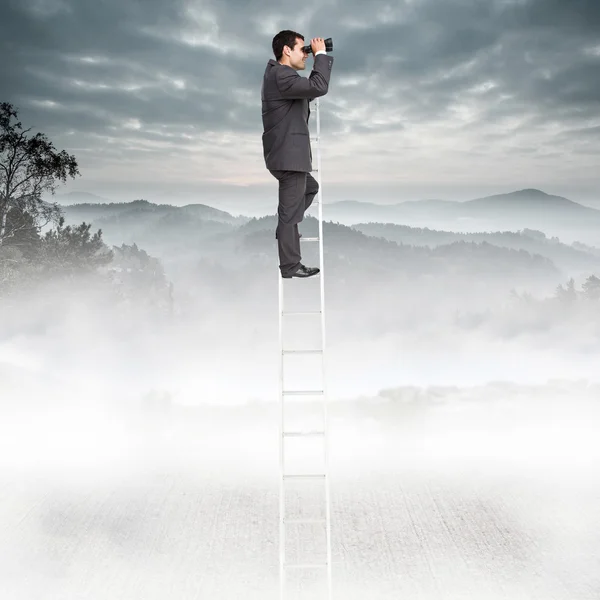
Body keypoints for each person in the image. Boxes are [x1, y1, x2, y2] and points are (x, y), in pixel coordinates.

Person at [261, 30, 335, 278]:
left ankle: (286, 229)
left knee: (310, 188)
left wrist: (314, 59)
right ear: (286, 50)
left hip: (288, 156)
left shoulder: (279, 76)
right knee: (290, 213)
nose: (306, 54)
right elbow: (319, 86)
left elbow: (309, 90)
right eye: (302, 49)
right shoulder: (282, 75)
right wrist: (321, 55)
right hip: (289, 159)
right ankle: (290, 265)